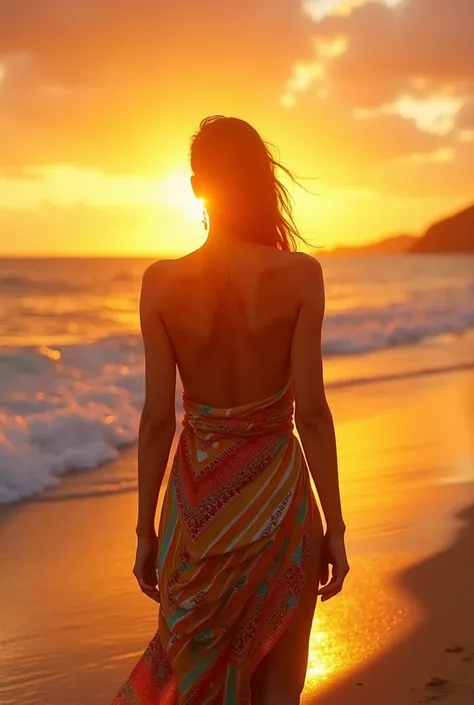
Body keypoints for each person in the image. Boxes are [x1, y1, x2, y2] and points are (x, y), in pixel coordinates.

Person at [112, 116, 349, 705]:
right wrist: (336, 528)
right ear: (260, 181)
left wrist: (146, 530)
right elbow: (313, 413)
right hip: (280, 508)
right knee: (278, 688)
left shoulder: (161, 284)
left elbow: (157, 422)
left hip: (196, 518)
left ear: (197, 186)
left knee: (193, 680)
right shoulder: (299, 276)